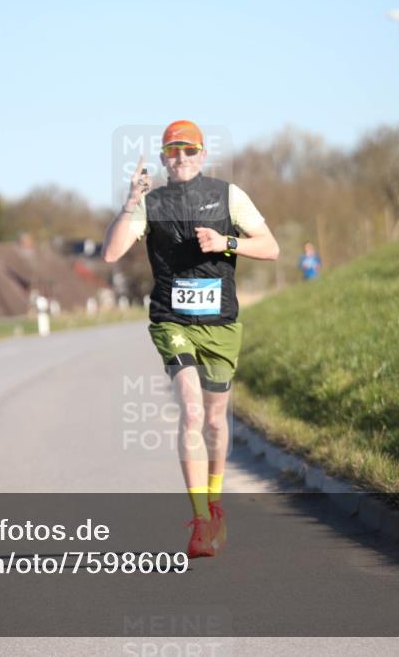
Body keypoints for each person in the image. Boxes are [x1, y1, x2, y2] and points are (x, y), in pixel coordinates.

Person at [102, 120, 279, 558]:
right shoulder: (151, 202)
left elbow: (271, 247)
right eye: (172, 152)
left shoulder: (228, 195)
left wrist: (226, 242)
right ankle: (200, 521)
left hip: (220, 323)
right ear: (163, 159)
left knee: (216, 421)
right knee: (192, 411)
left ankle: (214, 504)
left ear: (201, 155)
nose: (180, 158)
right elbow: (111, 252)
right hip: (172, 320)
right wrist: (130, 201)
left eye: (188, 151)